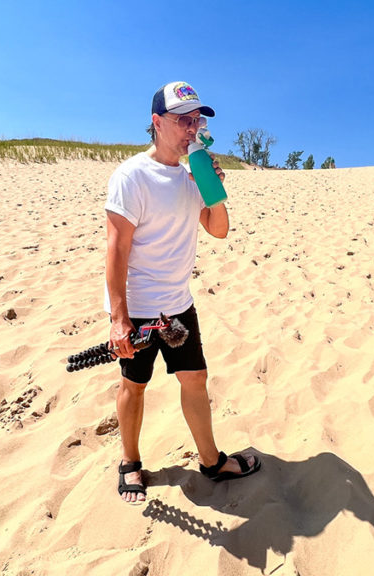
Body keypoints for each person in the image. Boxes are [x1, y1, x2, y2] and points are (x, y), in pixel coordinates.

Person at [105, 81, 261, 505]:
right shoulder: (132, 176)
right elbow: (116, 249)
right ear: (157, 123)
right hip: (138, 308)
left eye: (198, 119)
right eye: (183, 120)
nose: (193, 128)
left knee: (195, 378)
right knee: (134, 385)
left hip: (178, 304)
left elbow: (219, 230)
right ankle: (130, 463)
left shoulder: (193, 179)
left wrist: (212, 187)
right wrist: (119, 319)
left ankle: (210, 461)